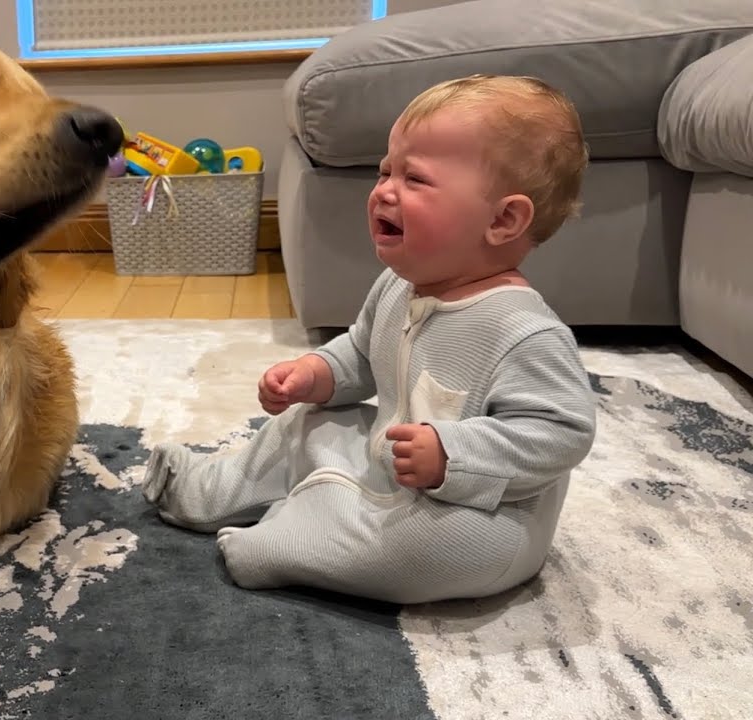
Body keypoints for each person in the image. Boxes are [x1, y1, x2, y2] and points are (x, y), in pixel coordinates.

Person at [142, 74, 599, 604]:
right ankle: (204, 489)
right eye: (386, 171)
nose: (383, 189)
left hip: (479, 511)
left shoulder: (523, 331)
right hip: (388, 459)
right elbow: (362, 350)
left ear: (502, 219)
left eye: (415, 179)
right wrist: (317, 375)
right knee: (305, 424)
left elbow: (561, 433)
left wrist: (454, 455)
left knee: (429, 549)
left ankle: (289, 541)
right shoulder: (397, 286)